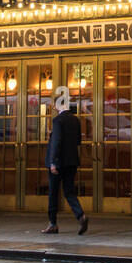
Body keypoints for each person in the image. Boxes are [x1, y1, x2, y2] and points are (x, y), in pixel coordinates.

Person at [42, 99, 88, 235]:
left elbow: (56, 142)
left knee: (53, 193)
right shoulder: (76, 120)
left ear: (59, 106)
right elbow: (78, 141)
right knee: (69, 191)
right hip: (72, 161)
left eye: (55, 105)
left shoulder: (57, 121)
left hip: (58, 163)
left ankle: (53, 224)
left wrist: (53, 162)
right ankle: (81, 216)